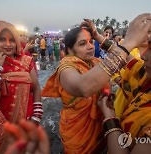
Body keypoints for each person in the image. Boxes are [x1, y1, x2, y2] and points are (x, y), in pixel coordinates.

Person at [41, 13, 151, 153]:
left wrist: (108, 114)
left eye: (91, 42)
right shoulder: (66, 67)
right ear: (69, 50)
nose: (91, 47)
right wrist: (104, 39)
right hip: (78, 134)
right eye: (82, 43)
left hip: (102, 129)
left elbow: (126, 61)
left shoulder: (97, 63)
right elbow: (83, 86)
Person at [0, 21, 43, 153]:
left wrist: (37, 115)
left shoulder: (26, 60)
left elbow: (36, 87)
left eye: (12, 40)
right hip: (5, 130)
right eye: (2, 39)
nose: (8, 44)